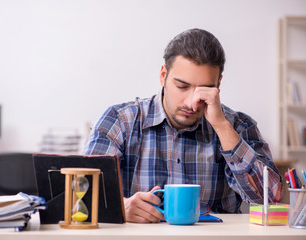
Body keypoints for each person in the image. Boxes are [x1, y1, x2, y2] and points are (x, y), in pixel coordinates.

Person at [82, 28, 283, 223]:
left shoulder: (238, 126)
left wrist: (221, 126)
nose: (191, 103)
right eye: (182, 87)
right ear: (163, 76)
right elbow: (81, 193)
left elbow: (269, 200)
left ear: (218, 84)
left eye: (205, 89)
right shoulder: (120, 120)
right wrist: (121, 207)